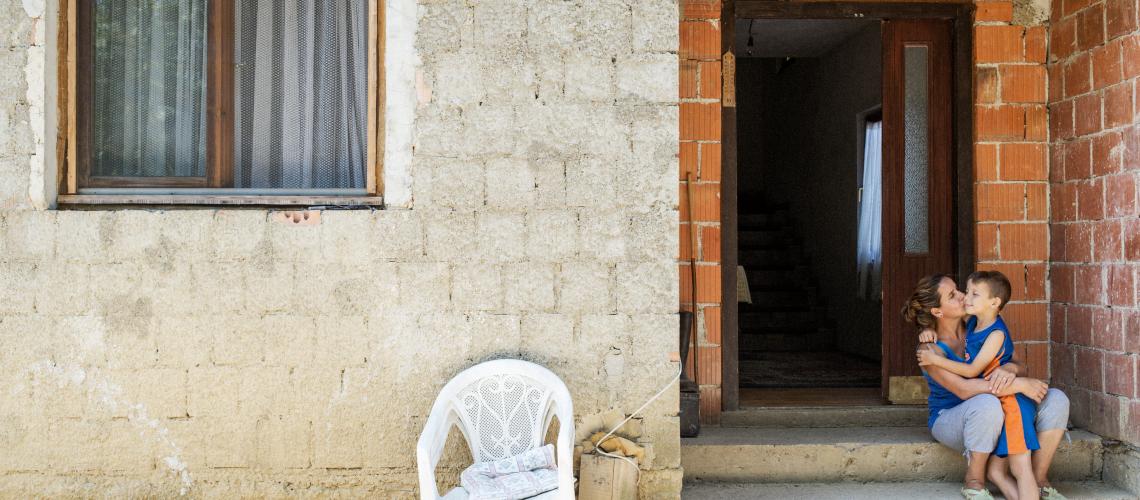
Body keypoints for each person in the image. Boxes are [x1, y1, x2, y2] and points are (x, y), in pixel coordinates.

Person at [904, 274, 1071, 500]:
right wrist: (1018, 385)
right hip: (953, 418)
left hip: (1000, 410)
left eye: (959, 289)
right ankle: (974, 481)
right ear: (937, 312)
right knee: (986, 404)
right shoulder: (930, 351)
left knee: (1057, 399)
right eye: (953, 295)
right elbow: (964, 390)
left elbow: (1019, 363)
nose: (963, 296)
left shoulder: (978, 322)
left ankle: (1039, 480)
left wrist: (1011, 370)